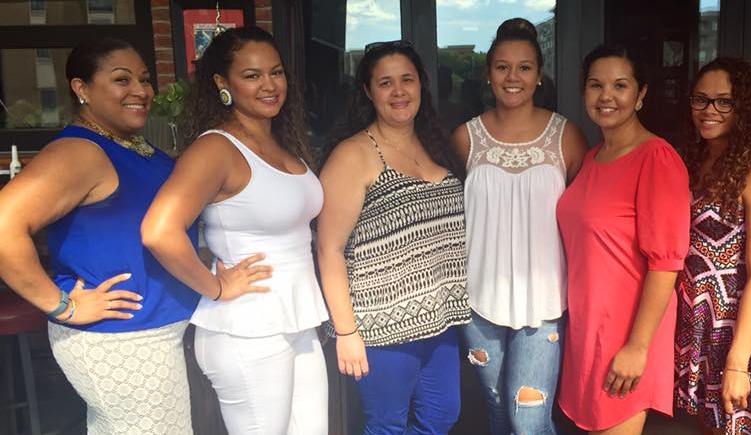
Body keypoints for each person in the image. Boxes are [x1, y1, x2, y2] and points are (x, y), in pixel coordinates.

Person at [0, 38, 196, 434]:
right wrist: (62, 306)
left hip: (153, 332)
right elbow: (4, 225)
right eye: (122, 80)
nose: (140, 90)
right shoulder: (80, 152)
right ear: (82, 89)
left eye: (144, 79)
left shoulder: (129, 146)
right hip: (123, 341)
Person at [141, 27, 329, 433]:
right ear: (222, 83)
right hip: (247, 328)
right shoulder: (215, 149)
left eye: (276, 72)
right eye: (252, 75)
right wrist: (215, 287)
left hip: (296, 319)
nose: (269, 85)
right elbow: (159, 230)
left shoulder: (282, 143)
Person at [315, 40, 469, 435]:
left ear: (421, 85)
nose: (398, 91)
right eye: (385, 83)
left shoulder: (434, 143)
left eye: (407, 80)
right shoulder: (353, 155)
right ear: (368, 91)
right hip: (380, 322)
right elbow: (329, 248)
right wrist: (346, 331)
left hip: (439, 317)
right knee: (387, 424)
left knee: (442, 414)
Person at [450, 17, 587, 435]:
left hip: (543, 302)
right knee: (496, 409)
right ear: (488, 74)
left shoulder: (565, 136)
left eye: (524, 67)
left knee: (527, 421)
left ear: (539, 75)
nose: (513, 77)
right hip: (479, 302)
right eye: (502, 67)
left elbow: (583, 214)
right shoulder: (465, 138)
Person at [556, 44, 690, 434]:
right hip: (587, 330)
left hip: (627, 334)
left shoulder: (656, 158)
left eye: (620, 85)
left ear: (640, 94)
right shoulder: (593, 156)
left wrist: (638, 347)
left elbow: (666, 263)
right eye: (596, 85)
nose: (606, 96)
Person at [674, 57, 751, 435]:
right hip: (698, 321)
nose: (709, 110)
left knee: (735, 426)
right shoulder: (696, 161)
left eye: (724, 101)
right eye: (701, 99)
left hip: (738, 327)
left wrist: (738, 362)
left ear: (745, 108)